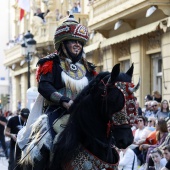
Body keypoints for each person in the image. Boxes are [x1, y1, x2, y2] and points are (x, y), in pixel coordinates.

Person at [18, 14, 97, 169]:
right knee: (46, 140)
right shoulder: (51, 63)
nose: (77, 45)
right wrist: (64, 101)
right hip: (56, 111)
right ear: (63, 43)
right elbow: (44, 86)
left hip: (82, 114)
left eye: (80, 42)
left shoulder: (88, 68)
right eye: (73, 41)